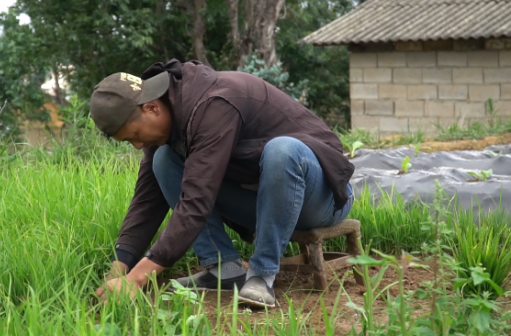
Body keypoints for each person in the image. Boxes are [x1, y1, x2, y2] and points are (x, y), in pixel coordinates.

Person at [92, 59, 355, 308]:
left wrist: (138, 278)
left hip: (321, 197)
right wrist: (119, 268)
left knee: (282, 150)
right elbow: (146, 202)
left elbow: (197, 201)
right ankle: (223, 269)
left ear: (151, 108)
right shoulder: (169, 124)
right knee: (163, 160)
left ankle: (261, 276)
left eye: (135, 135)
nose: (137, 145)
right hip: (264, 204)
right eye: (129, 142)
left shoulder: (214, 103)